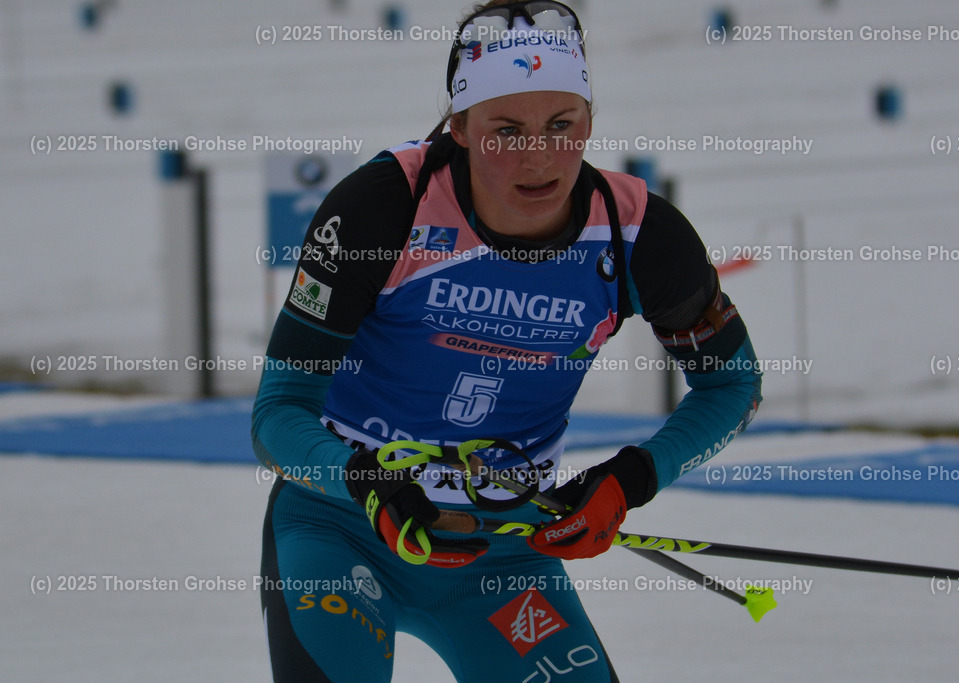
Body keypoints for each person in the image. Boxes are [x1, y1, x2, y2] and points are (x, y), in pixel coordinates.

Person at [251, 1, 762, 680]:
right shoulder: (383, 209)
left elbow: (732, 385)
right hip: (343, 526)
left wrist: (631, 478)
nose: (538, 157)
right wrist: (367, 481)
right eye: (505, 130)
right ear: (459, 126)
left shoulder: (638, 236)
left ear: (589, 119)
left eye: (561, 125)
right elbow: (277, 415)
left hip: (505, 552)